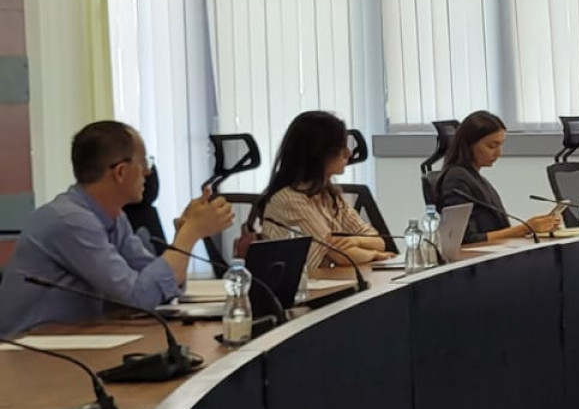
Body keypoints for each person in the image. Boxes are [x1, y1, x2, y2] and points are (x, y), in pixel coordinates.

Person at [0, 120, 233, 337]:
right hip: (24, 350)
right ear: (120, 172)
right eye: (144, 163)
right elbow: (138, 297)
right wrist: (190, 234)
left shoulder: (114, 217)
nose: (148, 172)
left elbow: (161, 289)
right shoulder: (69, 220)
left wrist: (183, 236)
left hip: (72, 340)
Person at [250, 111, 393, 273]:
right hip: (299, 286)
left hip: (329, 280)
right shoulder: (289, 200)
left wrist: (356, 241)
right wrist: (374, 255)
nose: (348, 153)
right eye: (340, 148)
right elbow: (338, 254)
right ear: (318, 153)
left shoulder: (328, 195)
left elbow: (378, 241)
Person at [432, 111, 566, 243]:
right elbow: (465, 240)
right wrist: (526, 228)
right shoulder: (456, 179)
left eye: (500, 145)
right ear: (469, 145)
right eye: (492, 146)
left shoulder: (475, 178)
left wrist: (533, 227)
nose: (498, 153)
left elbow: (498, 230)